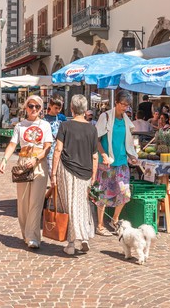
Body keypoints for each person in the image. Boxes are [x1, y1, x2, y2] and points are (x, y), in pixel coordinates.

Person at [0, 95, 53, 249]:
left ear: (41, 108)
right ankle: (26, 233)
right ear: (26, 108)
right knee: (23, 202)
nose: (34, 109)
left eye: (37, 106)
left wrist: (36, 159)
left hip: (39, 164)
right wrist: (4, 160)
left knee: (36, 201)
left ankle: (33, 236)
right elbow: (12, 144)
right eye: (31, 106)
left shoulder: (45, 125)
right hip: (23, 162)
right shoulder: (20, 126)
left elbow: (47, 147)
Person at [50, 94, 98, 255]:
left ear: (71, 108)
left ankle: (71, 243)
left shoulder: (65, 126)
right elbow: (95, 156)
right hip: (85, 171)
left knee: (69, 204)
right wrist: (94, 176)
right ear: (85, 110)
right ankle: (84, 237)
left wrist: (53, 173)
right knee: (83, 204)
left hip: (67, 169)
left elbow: (57, 150)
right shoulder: (92, 128)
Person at [94, 90, 138, 236]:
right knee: (103, 193)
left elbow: (128, 141)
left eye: (127, 105)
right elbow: (96, 140)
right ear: (116, 103)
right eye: (123, 104)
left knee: (125, 193)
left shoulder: (126, 120)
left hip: (122, 161)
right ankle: (100, 225)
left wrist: (132, 155)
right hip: (106, 162)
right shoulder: (105, 116)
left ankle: (115, 219)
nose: (125, 108)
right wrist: (104, 155)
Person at [43, 94, 68, 171]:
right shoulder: (44, 120)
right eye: (56, 108)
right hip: (49, 151)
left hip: (61, 150)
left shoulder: (62, 118)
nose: (58, 110)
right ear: (50, 106)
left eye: (60, 108)